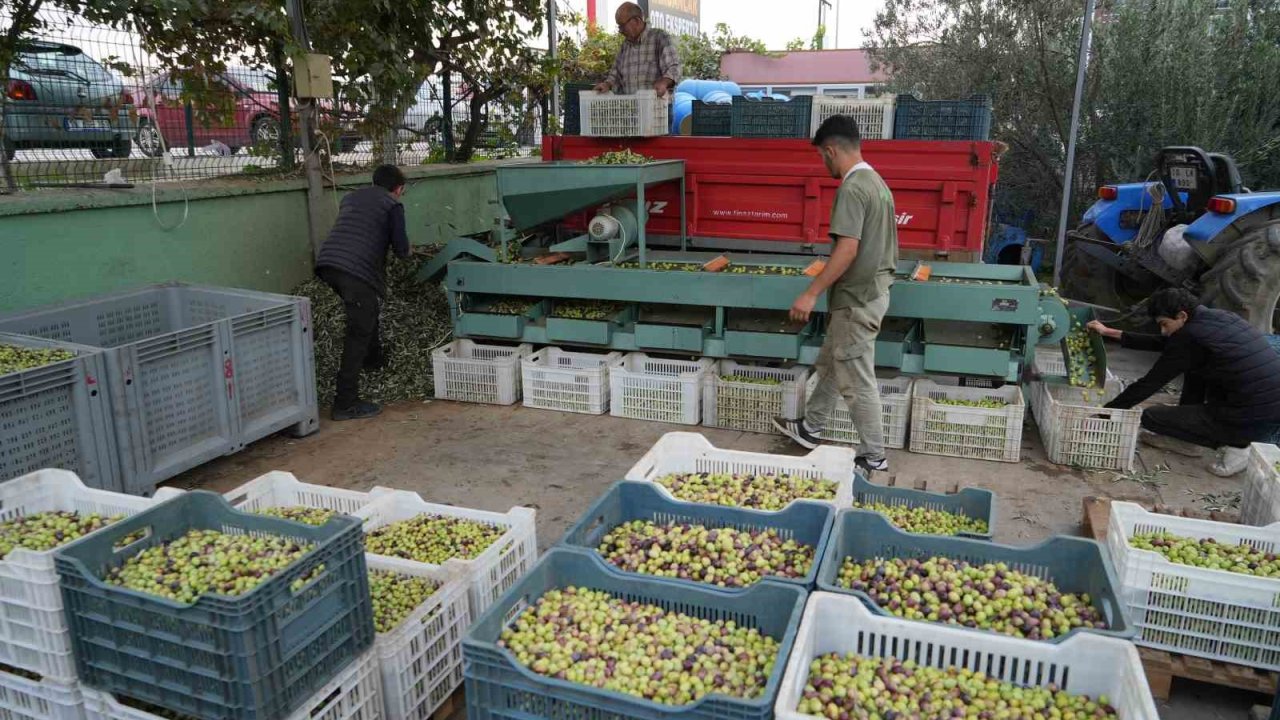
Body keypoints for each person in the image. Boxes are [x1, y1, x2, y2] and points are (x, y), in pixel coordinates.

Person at [773, 115, 899, 475]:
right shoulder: (877, 182)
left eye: (821, 157)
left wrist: (810, 293)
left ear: (831, 151)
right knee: (832, 362)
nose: (822, 164)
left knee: (857, 380)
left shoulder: (852, 188)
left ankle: (874, 455)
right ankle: (811, 428)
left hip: (857, 301)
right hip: (870, 293)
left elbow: (847, 249)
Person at [1088, 288, 1280, 476]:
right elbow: (1167, 344)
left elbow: (1149, 383)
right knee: (1195, 369)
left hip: (1248, 417)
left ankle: (1238, 447)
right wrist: (1110, 332)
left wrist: (1108, 412)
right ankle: (1205, 434)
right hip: (1268, 406)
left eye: (1164, 324)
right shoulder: (1217, 317)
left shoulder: (1192, 336)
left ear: (1182, 316)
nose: (1163, 331)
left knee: (1151, 417)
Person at [315, 164, 411, 421]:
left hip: (328, 265)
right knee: (358, 331)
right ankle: (344, 403)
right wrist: (408, 253)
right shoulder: (392, 204)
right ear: (398, 188)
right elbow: (401, 249)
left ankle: (373, 360)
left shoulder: (352, 198)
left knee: (367, 312)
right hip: (355, 272)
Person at [593, 2, 680, 97]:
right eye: (619, 27)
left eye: (622, 25)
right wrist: (607, 84)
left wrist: (664, 82)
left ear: (637, 21)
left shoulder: (660, 38)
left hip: (658, 108)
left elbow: (674, 68)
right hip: (631, 109)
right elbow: (615, 75)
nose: (620, 31)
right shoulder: (624, 47)